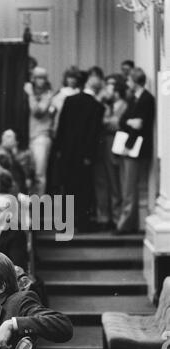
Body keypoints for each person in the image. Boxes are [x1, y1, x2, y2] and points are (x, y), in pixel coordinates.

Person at [54, 71, 105, 232]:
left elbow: (61, 128)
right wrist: (90, 155)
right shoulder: (97, 106)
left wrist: (58, 149)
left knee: (68, 188)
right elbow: (94, 134)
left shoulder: (70, 100)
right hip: (84, 156)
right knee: (84, 190)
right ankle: (82, 223)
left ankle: (65, 224)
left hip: (67, 152)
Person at [116, 67, 155, 234]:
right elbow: (124, 121)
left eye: (129, 80)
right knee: (129, 186)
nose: (127, 83)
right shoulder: (135, 98)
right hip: (132, 145)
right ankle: (130, 222)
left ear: (135, 81)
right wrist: (132, 122)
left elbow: (141, 126)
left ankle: (125, 223)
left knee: (129, 187)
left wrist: (128, 144)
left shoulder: (146, 99)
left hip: (134, 147)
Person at [94, 81, 128, 230]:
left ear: (116, 91)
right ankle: (105, 216)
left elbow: (115, 123)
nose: (106, 91)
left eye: (109, 88)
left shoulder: (124, 105)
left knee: (115, 182)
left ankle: (116, 217)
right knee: (103, 180)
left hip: (114, 143)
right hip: (103, 145)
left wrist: (106, 121)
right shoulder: (107, 106)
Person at [24, 67, 54, 196]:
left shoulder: (48, 94)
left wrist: (30, 94)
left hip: (41, 136)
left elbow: (38, 112)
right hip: (28, 136)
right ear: (33, 79)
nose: (41, 81)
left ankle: (38, 205)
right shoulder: (29, 92)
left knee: (39, 173)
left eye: (43, 78)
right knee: (28, 172)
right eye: (38, 77)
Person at [51, 67, 82, 134]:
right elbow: (53, 109)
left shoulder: (79, 92)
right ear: (66, 79)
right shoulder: (61, 92)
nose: (72, 80)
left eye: (74, 78)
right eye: (70, 77)